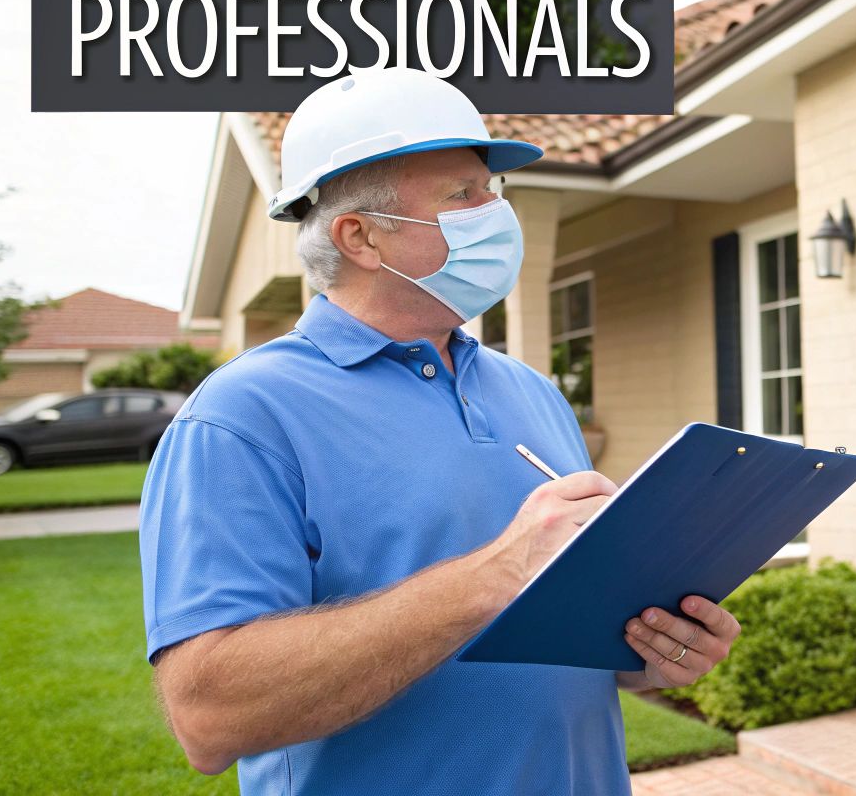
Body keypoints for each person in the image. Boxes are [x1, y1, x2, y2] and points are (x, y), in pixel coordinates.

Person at [140, 67, 738, 794]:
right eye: (463, 195)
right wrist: (497, 573)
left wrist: (652, 650)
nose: (497, 212)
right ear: (361, 236)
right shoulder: (243, 416)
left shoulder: (530, 391)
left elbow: (564, 643)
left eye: (494, 189)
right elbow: (210, 718)